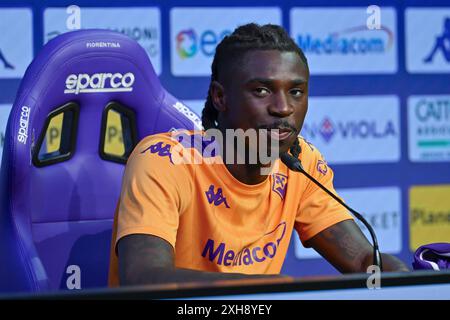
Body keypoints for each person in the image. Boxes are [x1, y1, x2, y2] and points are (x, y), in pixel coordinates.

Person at [108, 23, 408, 287]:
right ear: (220, 97)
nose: (283, 107)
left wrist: (408, 280)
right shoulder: (165, 161)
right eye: (263, 90)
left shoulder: (300, 162)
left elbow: (361, 262)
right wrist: (271, 289)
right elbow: (145, 277)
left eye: (296, 92)